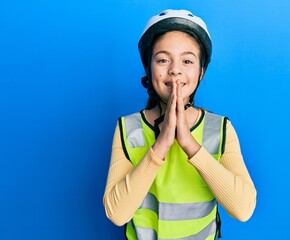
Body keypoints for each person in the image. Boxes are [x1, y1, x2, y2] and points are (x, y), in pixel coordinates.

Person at [103, 9, 257, 239]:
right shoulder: (128, 128)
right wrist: (161, 145)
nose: (175, 69)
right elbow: (117, 214)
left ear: (201, 72)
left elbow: (243, 210)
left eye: (187, 60)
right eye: (163, 60)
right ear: (149, 69)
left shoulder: (221, 129)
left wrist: (189, 144)